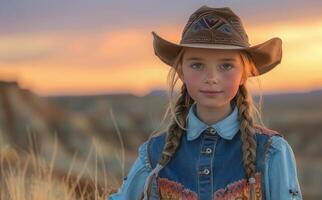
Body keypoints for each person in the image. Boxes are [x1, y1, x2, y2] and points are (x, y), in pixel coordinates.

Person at [109, 5, 302, 200]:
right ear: (181, 71)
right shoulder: (154, 153)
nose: (211, 77)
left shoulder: (271, 151)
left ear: (244, 73)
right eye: (197, 65)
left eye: (226, 65)